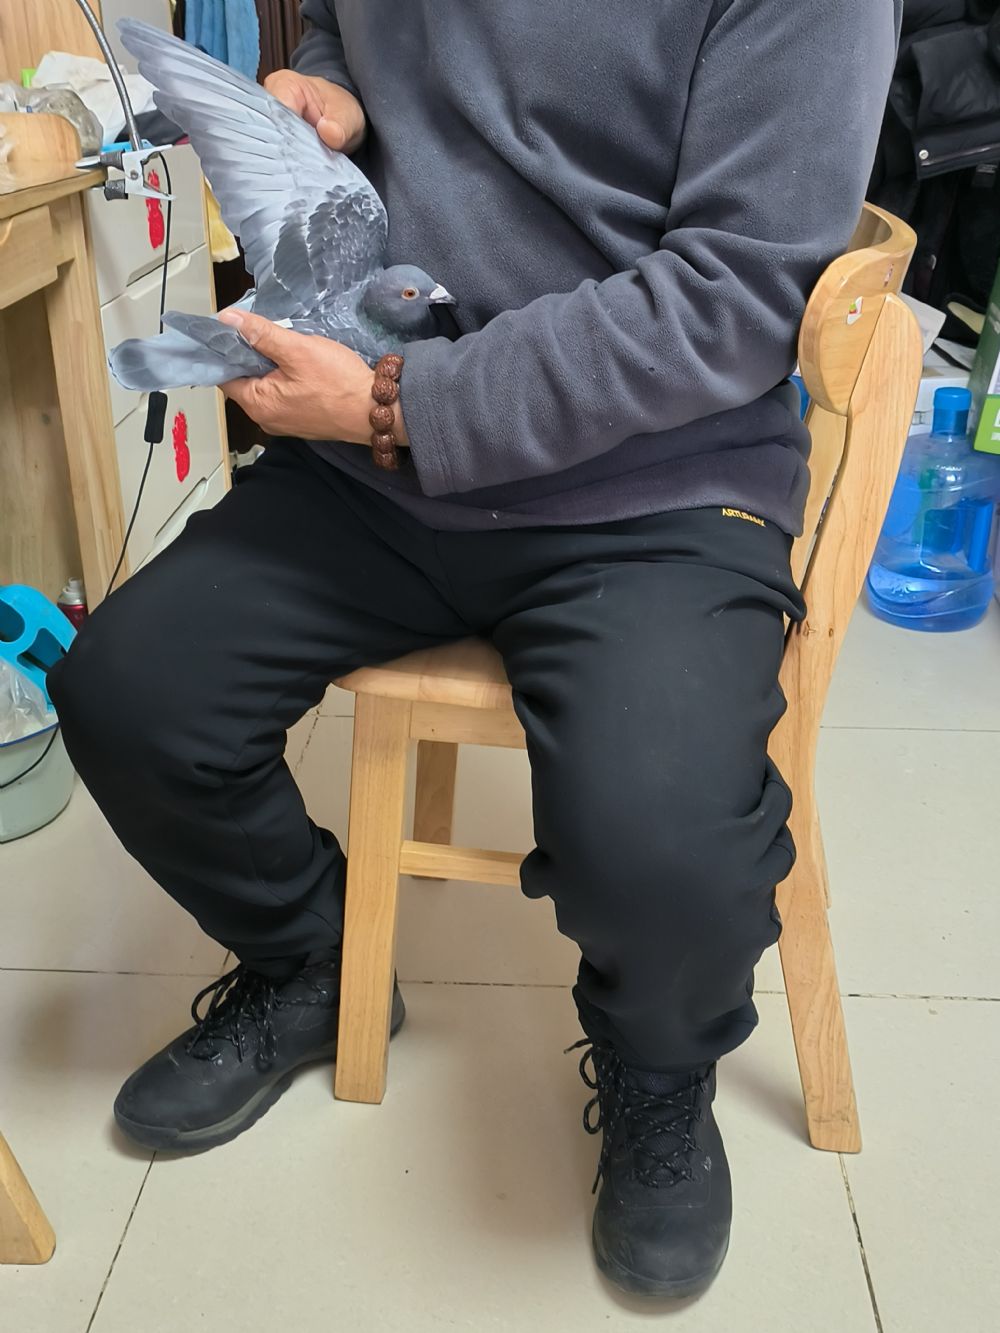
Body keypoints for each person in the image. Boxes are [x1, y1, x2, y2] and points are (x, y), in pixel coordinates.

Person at [49, 0, 900, 1301]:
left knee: (660, 840)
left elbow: (733, 299)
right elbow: (343, 26)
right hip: (377, 468)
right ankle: (311, 958)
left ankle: (659, 1072)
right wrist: (334, 92)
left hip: (653, 480)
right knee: (127, 693)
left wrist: (402, 405)